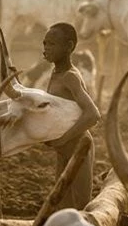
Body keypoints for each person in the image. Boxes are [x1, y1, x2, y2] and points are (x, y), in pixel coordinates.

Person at [43, 22, 101, 210]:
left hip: (79, 147)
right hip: (64, 149)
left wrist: (63, 138)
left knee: (81, 205)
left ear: (69, 47)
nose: (46, 49)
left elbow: (93, 114)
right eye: (44, 44)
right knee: (61, 204)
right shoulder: (55, 74)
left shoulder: (70, 77)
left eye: (51, 44)